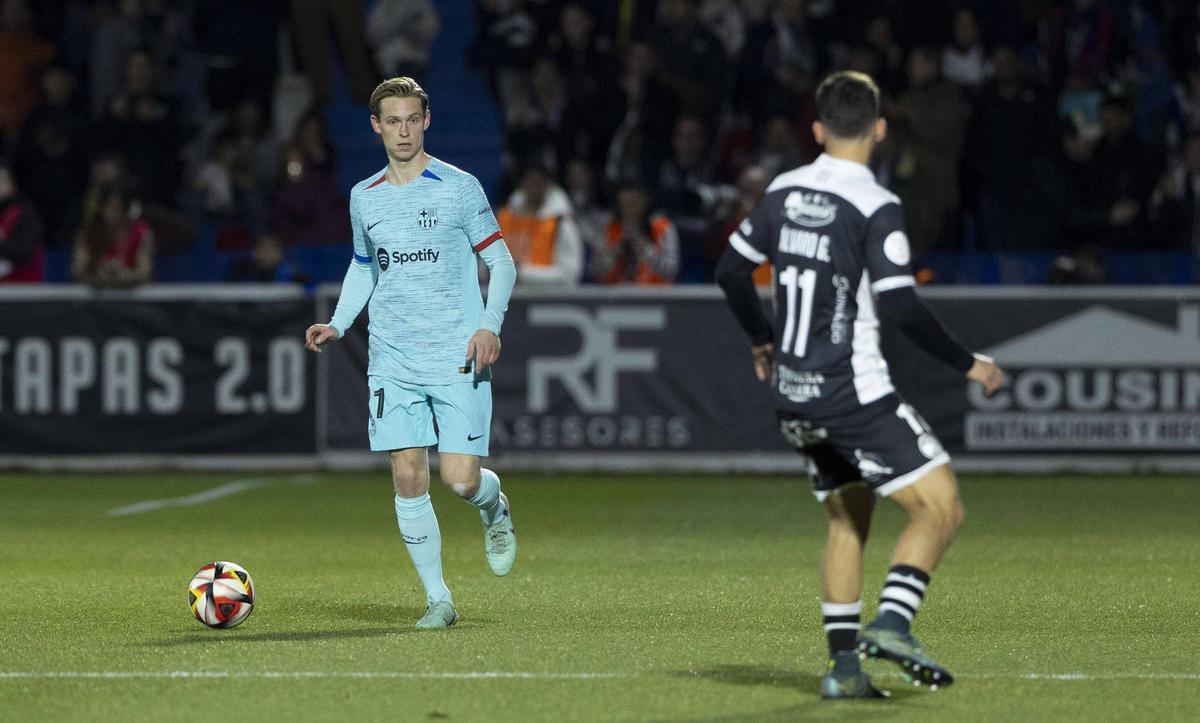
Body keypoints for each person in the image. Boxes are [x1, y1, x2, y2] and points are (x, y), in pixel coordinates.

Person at [715, 71, 1005, 699]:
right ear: (879, 129)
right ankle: (895, 623)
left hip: (791, 395)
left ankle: (844, 670)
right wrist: (968, 363)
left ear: (817, 130)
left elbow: (732, 270)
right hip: (849, 392)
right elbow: (899, 307)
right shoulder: (876, 204)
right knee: (941, 507)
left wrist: (761, 338)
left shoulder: (783, 190)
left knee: (849, 519)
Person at [303, 77, 518, 630]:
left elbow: (504, 263)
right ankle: (437, 598)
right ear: (376, 126)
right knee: (407, 476)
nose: (402, 130)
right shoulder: (364, 196)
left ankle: (494, 507)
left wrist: (489, 325)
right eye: (391, 121)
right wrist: (339, 321)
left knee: (461, 481)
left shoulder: (460, 187)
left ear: (426, 121)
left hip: (456, 354)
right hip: (392, 356)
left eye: (411, 119)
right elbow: (364, 264)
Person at [587, 179, 679, 284]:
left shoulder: (663, 227)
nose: (631, 209)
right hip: (615, 296)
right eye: (626, 203)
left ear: (645, 201)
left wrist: (646, 250)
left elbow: (671, 271)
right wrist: (612, 254)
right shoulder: (606, 228)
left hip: (655, 296)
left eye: (635, 203)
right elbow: (595, 273)